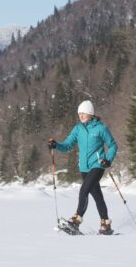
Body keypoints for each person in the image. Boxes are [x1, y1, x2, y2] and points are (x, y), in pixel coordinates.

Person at [48, 100, 118, 235]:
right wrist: (56, 145)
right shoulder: (78, 129)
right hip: (84, 168)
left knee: (83, 190)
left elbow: (113, 145)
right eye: (79, 113)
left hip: (97, 165)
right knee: (97, 196)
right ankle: (106, 224)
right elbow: (67, 145)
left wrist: (107, 160)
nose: (81, 115)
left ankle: (76, 221)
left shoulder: (100, 128)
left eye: (83, 113)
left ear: (90, 113)